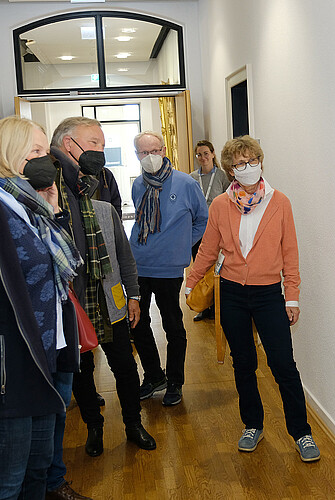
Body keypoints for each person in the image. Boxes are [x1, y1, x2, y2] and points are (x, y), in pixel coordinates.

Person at [185, 135, 320, 462]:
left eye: (252, 161)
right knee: (243, 362)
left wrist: (292, 296)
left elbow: (290, 253)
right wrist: (191, 281)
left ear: (260, 162)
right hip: (231, 293)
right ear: (231, 170)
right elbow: (208, 249)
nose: (247, 167)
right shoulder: (220, 205)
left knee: (283, 364)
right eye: (240, 163)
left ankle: (301, 432)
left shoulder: (279, 202)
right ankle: (252, 424)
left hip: (268, 294)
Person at [51, 117, 156, 458]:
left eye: (102, 144)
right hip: (75, 305)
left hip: (110, 303)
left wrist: (134, 295)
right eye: (94, 143)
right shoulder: (53, 210)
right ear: (69, 145)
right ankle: (94, 427)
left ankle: (133, 424)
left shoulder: (105, 210)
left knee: (125, 367)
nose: (100, 150)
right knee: (82, 373)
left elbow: (125, 258)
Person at [0, 116, 82, 499]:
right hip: (14, 364)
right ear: (10, 154)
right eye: (35, 151)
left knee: (38, 467)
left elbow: (65, 264)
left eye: (44, 152)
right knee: (10, 479)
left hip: (46, 354)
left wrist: (52, 209)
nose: (44, 161)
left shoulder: (28, 205)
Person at [130, 131, 208, 405]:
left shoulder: (186, 183)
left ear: (163, 150)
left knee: (172, 325)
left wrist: (182, 244)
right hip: (139, 264)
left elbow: (202, 220)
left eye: (154, 151)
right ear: (137, 155)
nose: (150, 157)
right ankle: (154, 376)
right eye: (144, 152)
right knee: (137, 323)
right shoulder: (138, 184)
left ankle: (175, 381)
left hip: (169, 269)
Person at [189, 140, 230, 321]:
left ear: (213, 154)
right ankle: (203, 306)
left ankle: (218, 306)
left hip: (217, 231)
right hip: (198, 231)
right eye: (199, 154)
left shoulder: (222, 176)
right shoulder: (192, 178)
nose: (203, 157)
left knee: (216, 270)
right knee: (200, 268)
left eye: (206, 153)